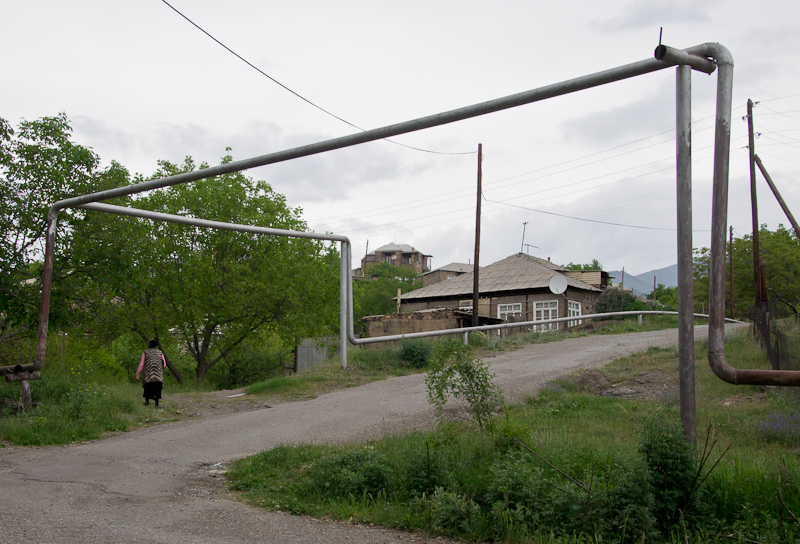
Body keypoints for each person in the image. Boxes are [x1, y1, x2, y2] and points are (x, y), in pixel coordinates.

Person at [136, 339, 166, 407]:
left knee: (147, 386)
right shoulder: (160, 352)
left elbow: (141, 364)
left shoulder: (145, 352)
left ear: (149, 345)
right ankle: (157, 403)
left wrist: (138, 374)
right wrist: (161, 369)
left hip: (148, 373)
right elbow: (164, 364)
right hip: (158, 374)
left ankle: (147, 401)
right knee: (157, 387)